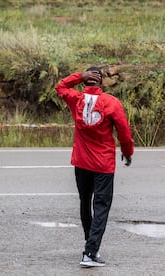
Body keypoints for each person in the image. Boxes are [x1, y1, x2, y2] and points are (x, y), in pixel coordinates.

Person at [55, 67, 134, 267]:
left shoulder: (76, 99)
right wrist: (127, 151)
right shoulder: (111, 103)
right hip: (103, 164)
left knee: (85, 201)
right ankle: (90, 251)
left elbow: (60, 86)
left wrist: (79, 76)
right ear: (100, 82)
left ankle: (90, 241)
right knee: (101, 206)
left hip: (81, 162)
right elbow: (124, 131)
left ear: (85, 81)